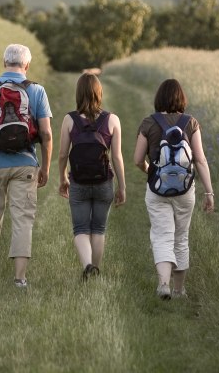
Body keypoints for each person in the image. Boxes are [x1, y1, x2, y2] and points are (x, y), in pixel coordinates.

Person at [0, 44, 53, 288]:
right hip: (26, 164)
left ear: (4, 62)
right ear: (26, 65)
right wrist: (45, 167)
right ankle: (20, 278)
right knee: (23, 219)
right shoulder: (37, 90)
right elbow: (46, 133)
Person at [134, 79, 214, 300]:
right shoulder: (191, 123)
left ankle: (163, 284)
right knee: (181, 237)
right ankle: (179, 290)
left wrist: (149, 169)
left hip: (157, 189)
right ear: (182, 99)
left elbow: (137, 159)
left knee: (161, 236)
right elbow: (200, 160)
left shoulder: (149, 123)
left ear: (158, 98)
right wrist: (209, 192)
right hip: (185, 191)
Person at [58, 73, 126, 280]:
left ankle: (87, 265)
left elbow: (62, 154)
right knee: (99, 228)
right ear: (99, 93)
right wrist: (122, 186)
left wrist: (62, 178)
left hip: (78, 181)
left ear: (78, 93)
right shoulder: (112, 119)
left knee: (80, 229)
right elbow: (116, 156)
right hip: (103, 181)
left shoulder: (69, 120)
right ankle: (94, 270)